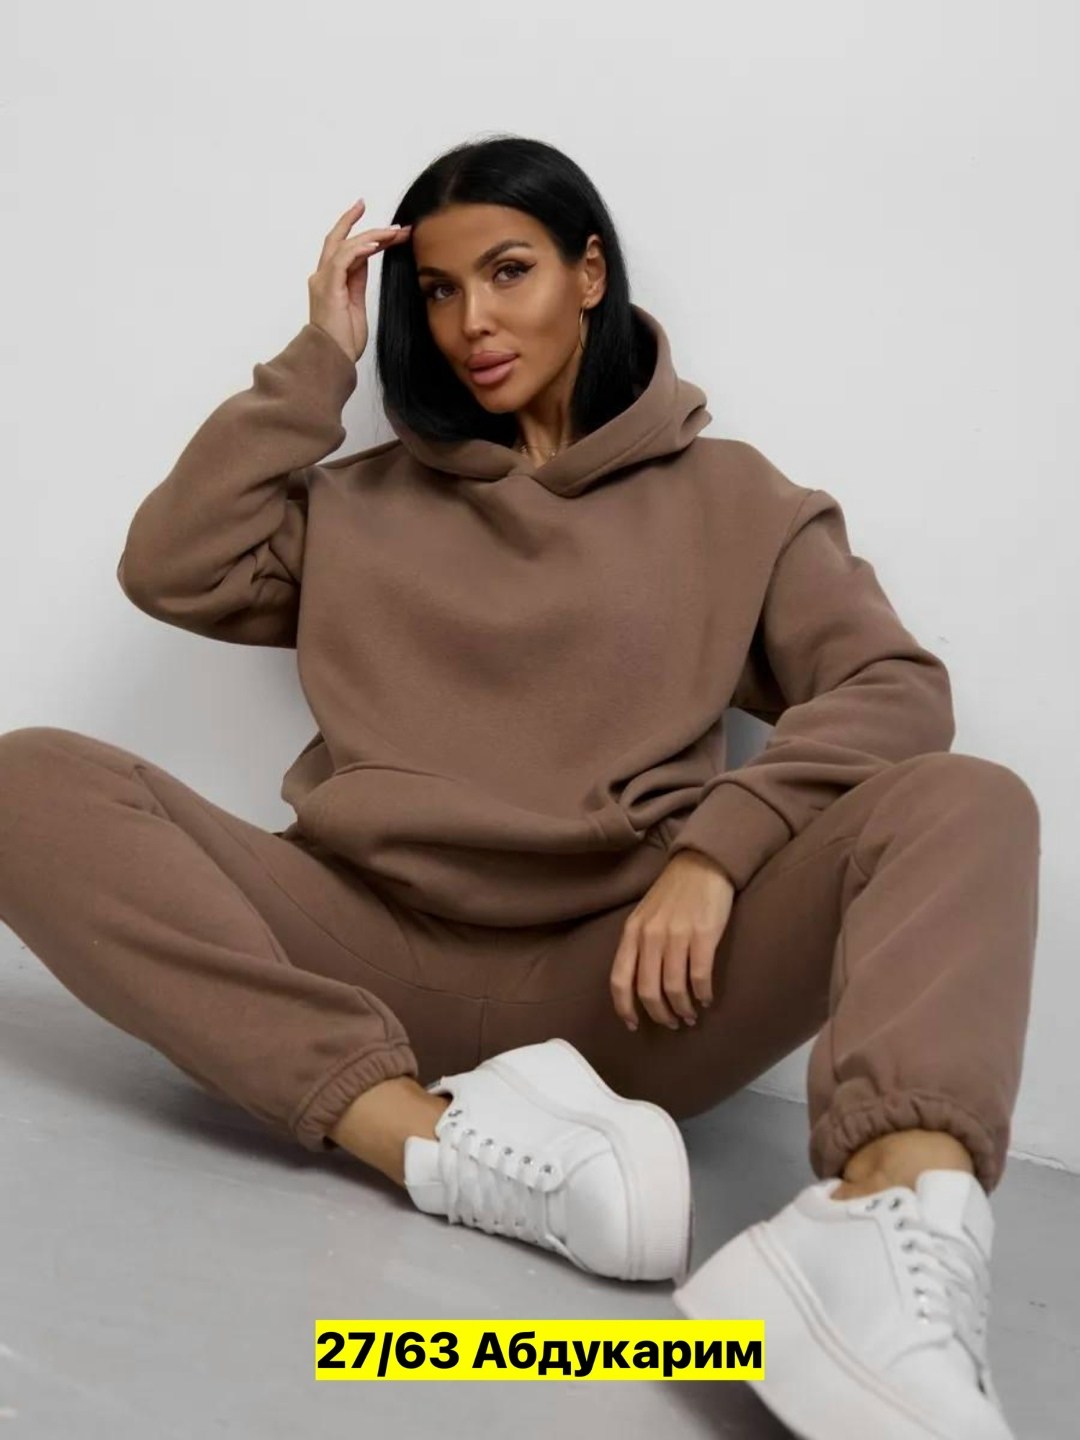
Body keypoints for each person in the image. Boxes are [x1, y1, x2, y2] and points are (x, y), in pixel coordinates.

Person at [0, 136, 1039, 1439]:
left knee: (968, 800)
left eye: (508, 272)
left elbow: (892, 687)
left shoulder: (738, 500)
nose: (472, 323)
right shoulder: (359, 505)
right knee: (24, 781)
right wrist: (318, 359)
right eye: (437, 291)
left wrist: (715, 854)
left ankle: (882, 1240)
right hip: (361, 949)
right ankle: (430, 1145)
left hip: (631, 990)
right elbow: (172, 567)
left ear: (589, 272)